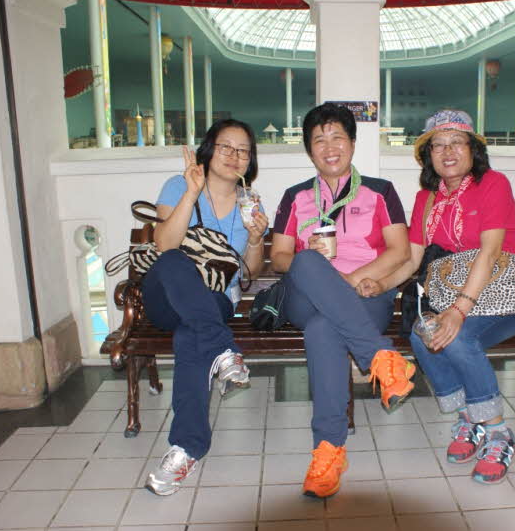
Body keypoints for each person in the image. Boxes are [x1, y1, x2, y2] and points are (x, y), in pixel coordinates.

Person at [359, 109, 515, 485]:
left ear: (473, 150)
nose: (448, 151)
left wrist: (458, 311)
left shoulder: (493, 184)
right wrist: (382, 285)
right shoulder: (426, 198)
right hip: (461, 294)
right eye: (438, 145)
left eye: (457, 142)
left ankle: (498, 433)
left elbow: (490, 253)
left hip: (504, 295)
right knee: (421, 334)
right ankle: (469, 418)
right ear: (428, 156)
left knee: (457, 338)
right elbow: (413, 260)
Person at [271, 103, 414, 498]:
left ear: (352, 143)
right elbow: (279, 257)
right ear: (309, 150)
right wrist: (313, 260)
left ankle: (329, 451)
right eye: (319, 140)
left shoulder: (381, 191)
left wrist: (349, 281)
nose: (329, 146)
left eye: (337, 137)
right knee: (305, 260)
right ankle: (381, 358)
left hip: (366, 293)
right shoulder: (295, 196)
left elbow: (400, 250)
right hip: (305, 295)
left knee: (323, 330)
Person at [142, 119, 269, 496]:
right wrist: (191, 193)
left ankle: (186, 448)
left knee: (192, 333)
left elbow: (249, 274)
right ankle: (224, 348)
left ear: (250, 159)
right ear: (210, 149)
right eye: (226, 146)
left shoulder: (250, 201)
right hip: (166, 296)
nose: (234, 155)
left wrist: (256, 238)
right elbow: (164, 244)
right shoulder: (178, 185)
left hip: (214, 302)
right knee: (173, 259)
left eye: (243, 150)